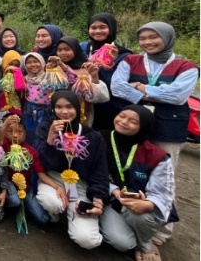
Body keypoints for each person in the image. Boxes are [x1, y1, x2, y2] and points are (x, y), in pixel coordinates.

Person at [111, 21, 198, 245]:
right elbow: (117, 87)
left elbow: (178, 96)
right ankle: (133, 217)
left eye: (153, 37)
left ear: (167, 38)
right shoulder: (131, 60)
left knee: (164, 176)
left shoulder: (186, 67)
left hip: (167, 127)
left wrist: (142, 88)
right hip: (132, 124)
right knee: (133, 167)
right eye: (143, 38)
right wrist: (157, 93)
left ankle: (161, 230)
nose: (147, 42)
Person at [35, 90, 109, 250]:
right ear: (53, 109)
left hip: (81, 187)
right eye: (58, 107)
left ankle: (85, 220)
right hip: (54, 180)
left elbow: (100, 171)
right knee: (52, 203)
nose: (64, 111)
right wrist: (50, 139)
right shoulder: (47, 128)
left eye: (69, 106)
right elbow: (44, 163)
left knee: (87, 240)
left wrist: (97, 200)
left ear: (77, 108)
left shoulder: (93, 136)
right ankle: (56, 214)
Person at [99, 106, 174, 261]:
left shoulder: (155, 155)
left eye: (133, 121)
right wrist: (114, 191)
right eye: (121, 115)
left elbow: (164, 193)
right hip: (108, 199)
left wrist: (148, 204)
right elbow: (90, 174)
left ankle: (145, 244)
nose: (124, 122)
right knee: (122, 243)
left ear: (143, 127)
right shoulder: (100, 139)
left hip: (135, 207)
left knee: (141, 217)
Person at [81, 13, 133, 131]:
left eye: (102, 27)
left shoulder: (123, 55)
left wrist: (109, 65)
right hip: (86, 104)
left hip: (109, 107)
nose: (98, 31)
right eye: (93, 28)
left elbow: (119, 85)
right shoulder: (83, 49)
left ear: (111, 28)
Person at [0, 114, 51, 224]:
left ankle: (24, 204)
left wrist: (57, 187)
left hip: (25, 187)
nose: (15, 135)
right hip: (8, 183)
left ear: (25, 134)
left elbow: (41, 174)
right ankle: (7, 205)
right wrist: (5, 124)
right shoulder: (4, 146)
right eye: (10, 132)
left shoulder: (30, 151)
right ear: (5, 134)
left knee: (43, 219)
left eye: (19, 132)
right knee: (15, 200)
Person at [56, 36, 110, 126]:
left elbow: (101, 97)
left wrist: (94, 77)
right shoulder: (55, 69)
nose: (63, 53)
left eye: (67, 49)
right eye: (59, 50)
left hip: (82, 114)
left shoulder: (86, 68)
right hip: (59, 113)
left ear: (76, 49)